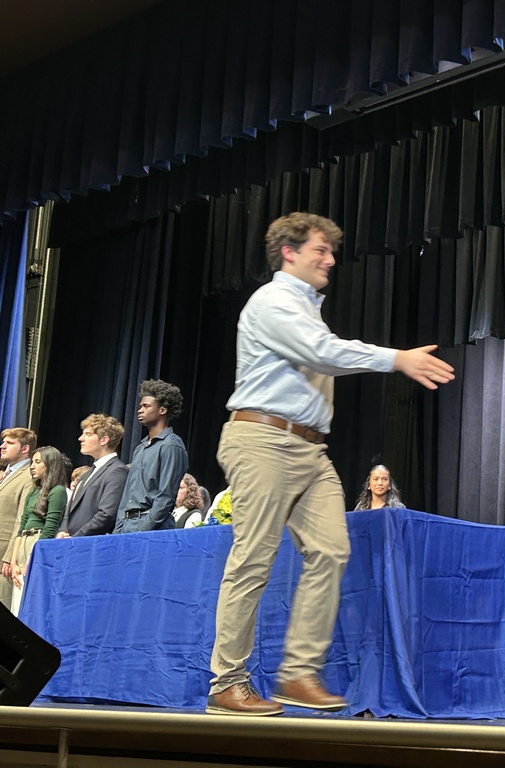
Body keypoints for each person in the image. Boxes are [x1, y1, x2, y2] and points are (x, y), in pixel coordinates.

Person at [207, 212, 455, 716]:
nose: (331, 260)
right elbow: (321, 352)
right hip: (264, 439)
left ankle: (298, 673)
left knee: (331, 550)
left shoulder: (305, 307)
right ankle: (226, 683)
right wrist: (397, 359)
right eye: (320, 250)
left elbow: (321, 350)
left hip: (309, 449)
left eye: (331, 252)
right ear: (289, 252)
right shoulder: (273, 301)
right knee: (253, 560)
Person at [113, 380, 189, 533]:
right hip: (127, 525)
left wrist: (144, 528)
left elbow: (166, 495)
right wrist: (119, 527)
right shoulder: (141, 447)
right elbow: (128, 492)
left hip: (151, 527)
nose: (140, 410)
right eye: (140, 406)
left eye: (146, 406)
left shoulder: (171, 445)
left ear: (162, 410)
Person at [8, 446, 69, 614]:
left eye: (37, 462)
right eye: (32, 462)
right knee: (16, 600)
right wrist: (14, 561)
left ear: (50, 464)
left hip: (38, 542)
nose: (32, 466)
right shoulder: (34, 490)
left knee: (29, 599)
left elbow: (50, 528)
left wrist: (33, 560)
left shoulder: (57, 491)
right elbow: (22, 525)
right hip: (24, 542)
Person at [57, 414, 130, 538]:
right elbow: (69, 510)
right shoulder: (87, 474)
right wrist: (62, 530)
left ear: (104, 440)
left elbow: (107, 514)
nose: (81, 438)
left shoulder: (117, 471)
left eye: (88, 434)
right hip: (70, 542)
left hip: (90, 543)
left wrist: (76, 537)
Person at [0, 428, 37, 608]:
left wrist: (9, 556)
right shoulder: (5, 474)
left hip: (3, 556)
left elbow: (22, 518)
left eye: (9, 443)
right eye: (3, 442)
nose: (2, 446)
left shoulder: (29, 475)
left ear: (25, 449)